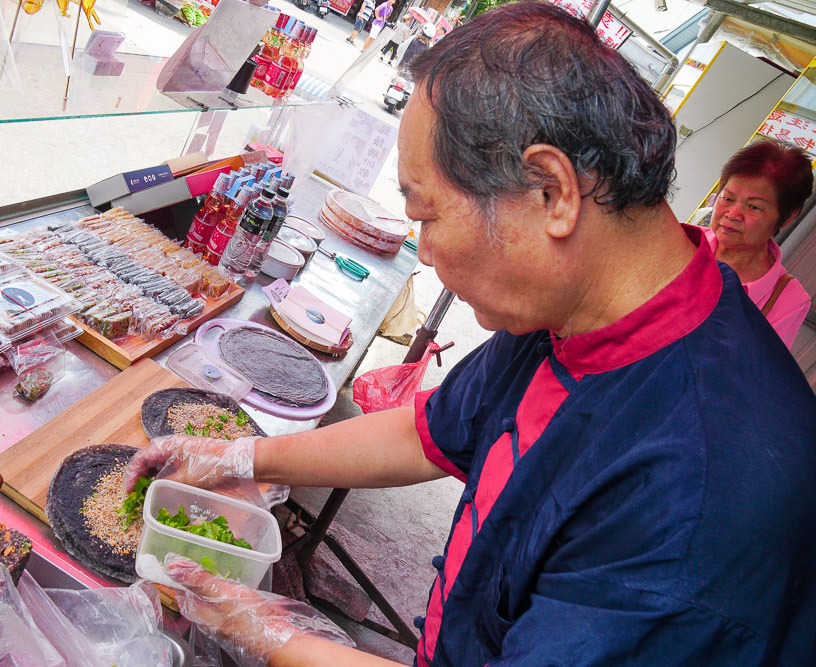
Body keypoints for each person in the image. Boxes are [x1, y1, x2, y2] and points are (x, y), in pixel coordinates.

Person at [126, 3, 816, 665]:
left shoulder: (700, 492)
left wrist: (266, 632)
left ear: (550, 191)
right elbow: (425, 431)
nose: (423, 251)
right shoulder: (577, 303)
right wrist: (241, 458)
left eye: (426, 214)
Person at [705, 140, 813, 348]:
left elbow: (751, 375)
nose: (733, 214)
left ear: (788, 216)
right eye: (727, 198)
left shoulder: (788, 300)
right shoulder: (680, 241)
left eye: (753, 207)